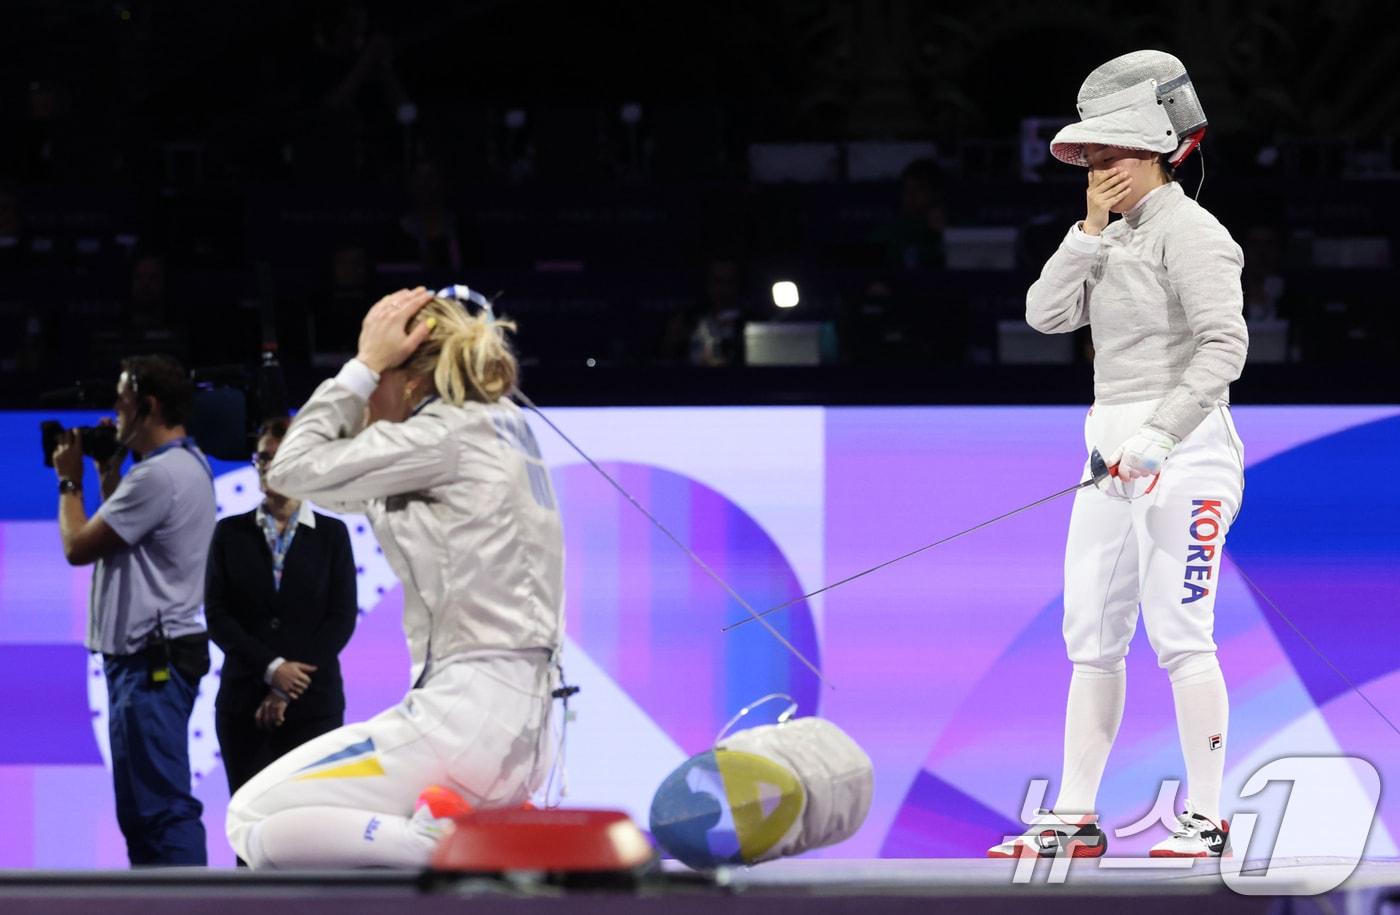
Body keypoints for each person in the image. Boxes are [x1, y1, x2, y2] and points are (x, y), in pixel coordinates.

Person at [987, 51, 1247, 860]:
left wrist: (1162, 434)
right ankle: (1074, 813)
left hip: (1191, 452)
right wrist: (1088, 234)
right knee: (1090, 633)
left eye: (1116, 157)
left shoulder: (1195, 234)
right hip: (1107, 455)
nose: (1101, 173)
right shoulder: (1103, 235)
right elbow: (1044, 315)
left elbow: (1223, 344)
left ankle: (1204, 817)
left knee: (1179, 630)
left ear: (1161, 150)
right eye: (1092, 159)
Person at [225, 286, 564, 868]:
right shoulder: (495, 427)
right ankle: (469, 837)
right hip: (524, 727)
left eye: (378, 374)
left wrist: (360, 367)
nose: (363, 398)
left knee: (250, 816)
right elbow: (345, 485)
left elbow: (293, 469)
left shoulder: (442, 436)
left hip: (465, 717)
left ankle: (452, 847)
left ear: (407, 378)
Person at [53, 354, 216, 866]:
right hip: (149, 661)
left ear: (148, 405)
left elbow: (78, 546)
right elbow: (127, 538)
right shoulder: (180, 466)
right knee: (146, 811)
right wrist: (107, 471)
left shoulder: (159, 477)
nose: (114, 414)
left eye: (121, 402)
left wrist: (68, 480)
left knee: (161, 810)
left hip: (151, 664)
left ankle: (191, 907)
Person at [205, 415, 359, 851]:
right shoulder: (229, 533)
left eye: (279, 457)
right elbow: (217, 615)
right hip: (243, 705)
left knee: (309, 837)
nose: (267, 467)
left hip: (313, 707)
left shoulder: (332, 535)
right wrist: (272, 670)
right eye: (262, 458)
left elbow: (340, 618)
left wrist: (289, 687)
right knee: (250, 835)